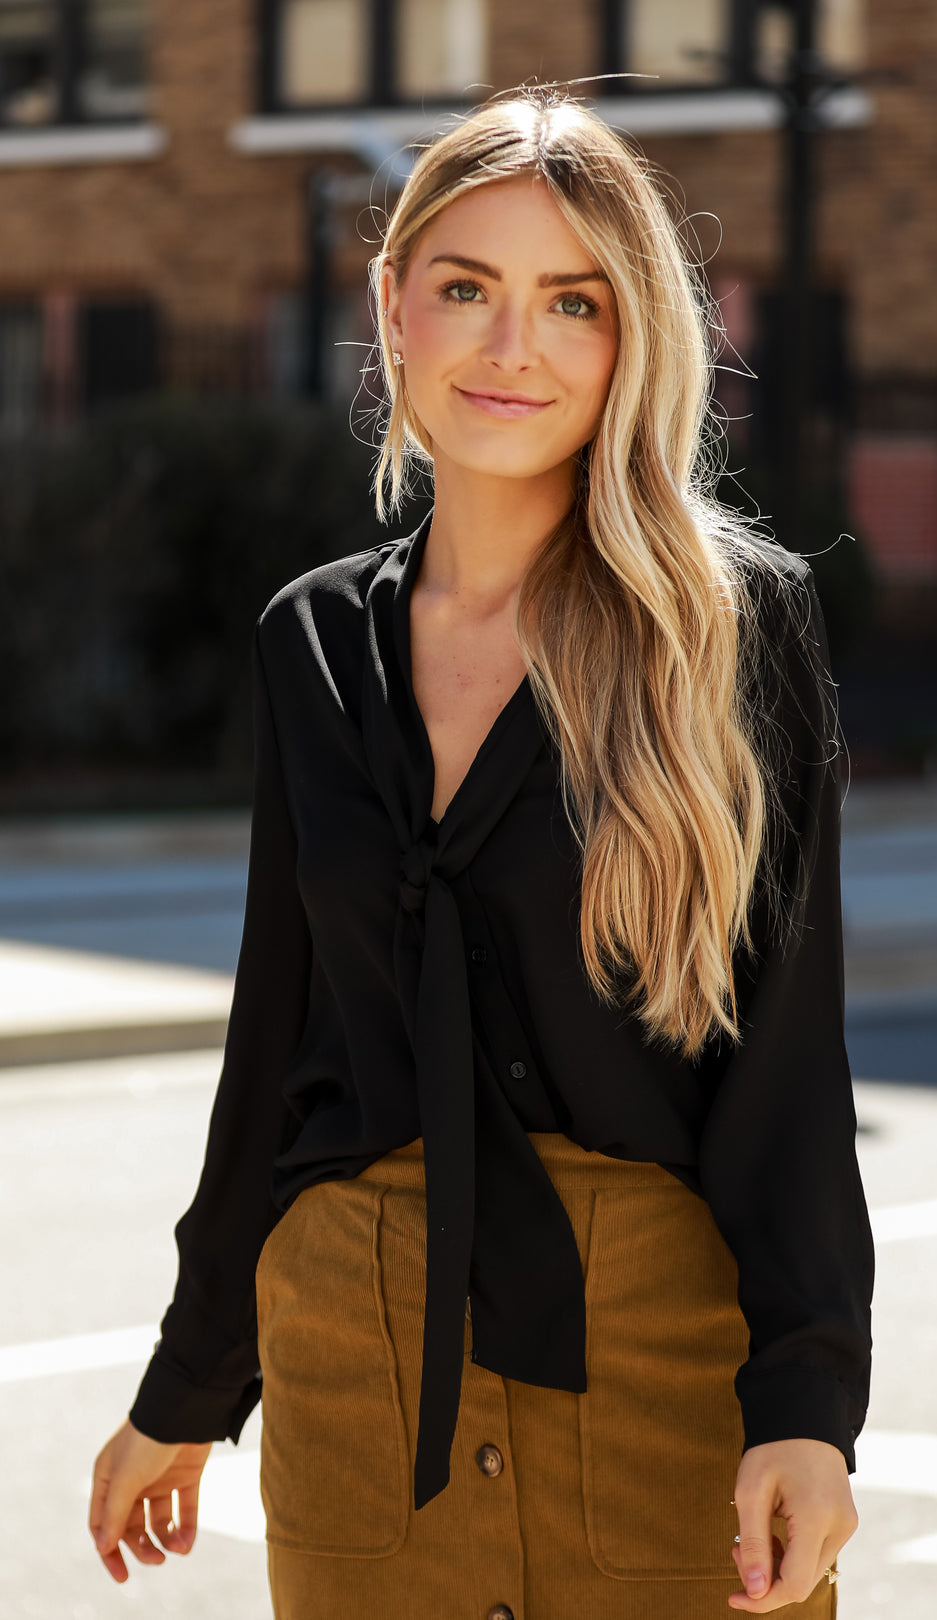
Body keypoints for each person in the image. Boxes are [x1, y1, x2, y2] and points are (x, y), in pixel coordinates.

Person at [88, 87, 874, 1619]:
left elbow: (790, 1059)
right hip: (356, 1375)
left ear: (630, 335)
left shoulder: (730, 628)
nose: (513, 348)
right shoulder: (308, 644)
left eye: (570, 302)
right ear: (393, 304)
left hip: (660, 1356)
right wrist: (192, 1382)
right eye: (467, 288)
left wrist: (808, 1405)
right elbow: (278, 1049)